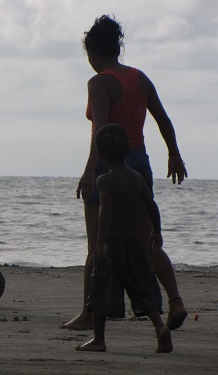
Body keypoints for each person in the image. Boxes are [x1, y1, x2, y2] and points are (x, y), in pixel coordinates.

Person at [61, 15, 188, 330]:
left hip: (109, 164)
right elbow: (163, 119)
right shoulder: (139, 77)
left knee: (96, 244)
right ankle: (175, 301)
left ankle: (90, 313)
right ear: (116, 48)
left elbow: (101, 130)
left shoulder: (99, 82)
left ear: (92, 53)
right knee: (148, 240)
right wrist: (174, 154)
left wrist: (90, 171)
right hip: (140, 163)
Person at [76, 124, 173, 353]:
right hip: (135, 244)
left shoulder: (104, 181)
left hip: (111, 245)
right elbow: (151, 206)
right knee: (142, 288)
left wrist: (100, 243)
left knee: (100, 291)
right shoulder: (137, 178)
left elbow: (106, 211)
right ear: (127, 150)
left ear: (100, 153)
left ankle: (99, 340)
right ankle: (160, 327)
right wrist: (156, 231)